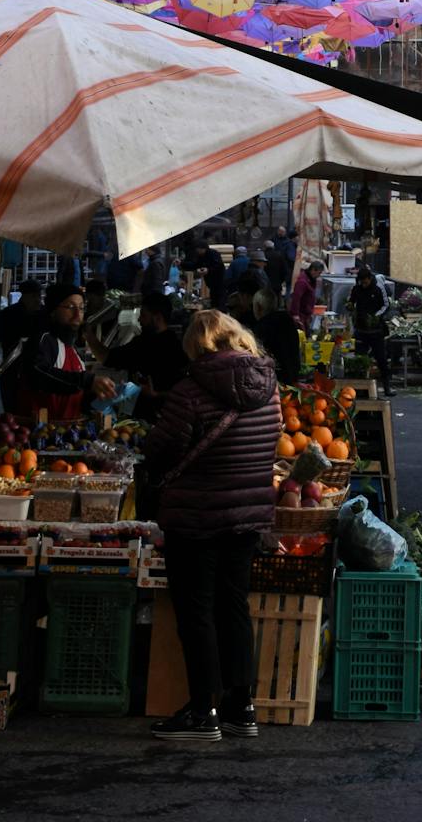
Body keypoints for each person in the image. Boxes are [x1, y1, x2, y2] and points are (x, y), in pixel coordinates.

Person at [144, 310, 281, 743]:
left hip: (196, 515)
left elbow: (162, 448)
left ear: (196, 345)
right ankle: (242, 707)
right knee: (234, 606)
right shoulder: (269, 388)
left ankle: (204, 711)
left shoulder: (190, 389)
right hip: (247, 514)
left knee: (197, 611)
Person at [7, 282, 115, 421]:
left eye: (81, 308)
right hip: (39, 429)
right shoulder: (43, 340)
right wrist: (87, 381)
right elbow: (37, 373)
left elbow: (71, 390)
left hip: (66, 430)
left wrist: (98, 394)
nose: (78, 314)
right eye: (70, 307)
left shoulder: (72, 348)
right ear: (53, 311)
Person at [347, 265, 393, 396]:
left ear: (369, 279)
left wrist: (376, 316)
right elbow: (351, 301)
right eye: (361, 282)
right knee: (360, 359)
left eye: (365, 282)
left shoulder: (378, 288)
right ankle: (360, 388)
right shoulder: (357, 288)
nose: (363, 284)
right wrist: (350, 305)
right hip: (361, 330)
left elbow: (386, 305)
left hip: (376, 331)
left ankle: (387, 386)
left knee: (381, 359)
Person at [252, 290, 301, 384]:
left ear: (258, 307)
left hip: (274, 379)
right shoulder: (287, 321)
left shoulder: (262, 328)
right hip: (293, 376)